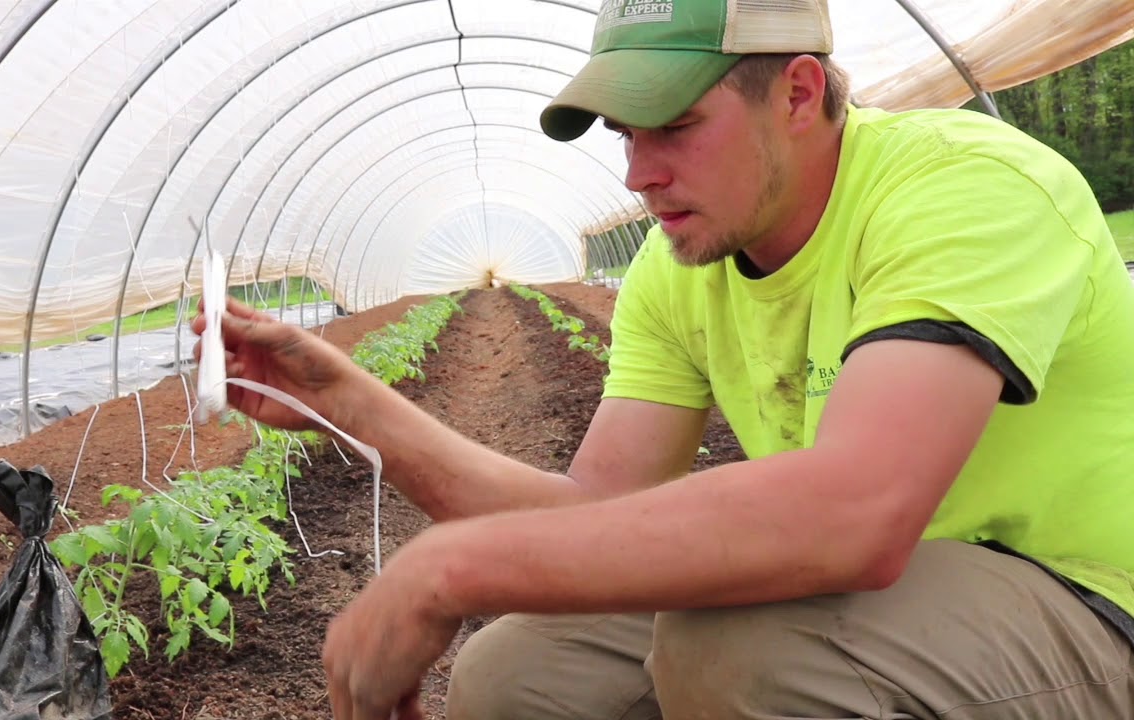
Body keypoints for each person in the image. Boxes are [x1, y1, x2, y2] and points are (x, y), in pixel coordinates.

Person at [193, 0, 1134, 717]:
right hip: (881, 599)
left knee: (745, 657)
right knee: (514, 674)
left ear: (800, 93)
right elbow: (591, 514)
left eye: (674, 126)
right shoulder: (682, 262)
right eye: (626, 135)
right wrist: (344, 398)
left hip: (1089, 604)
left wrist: (450, 567)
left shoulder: (966, 190)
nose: (640, 173)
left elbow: (857, 515)